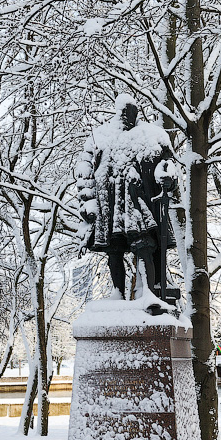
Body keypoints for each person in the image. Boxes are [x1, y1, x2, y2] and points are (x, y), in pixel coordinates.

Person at [75, 94, 179, 308]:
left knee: (145, 246)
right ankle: (117, 294)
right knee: (113, 250)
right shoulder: (99, 137)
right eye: (124, 111)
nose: (127, 116)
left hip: (139, 205)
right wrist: (87, 203)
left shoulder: (153, 136)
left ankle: (149, 292)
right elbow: (84, 175)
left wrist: (168, 178)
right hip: (109, 207)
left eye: (131, 112)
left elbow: (170, 168)